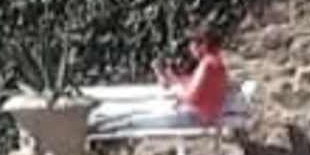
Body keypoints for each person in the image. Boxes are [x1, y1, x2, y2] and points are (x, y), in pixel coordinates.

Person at [89, 27, 232, 136]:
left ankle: (94, 125)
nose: (190, 49)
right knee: (137, 113)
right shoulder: (217, 63)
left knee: (135, 120)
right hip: (202, 116)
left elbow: (191, 97)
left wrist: (177, 92)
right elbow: (199, 87)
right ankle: (96, 122)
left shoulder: (207, 64)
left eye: (192, 44)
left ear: (203, 44)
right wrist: (173, 79)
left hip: (194, 118)